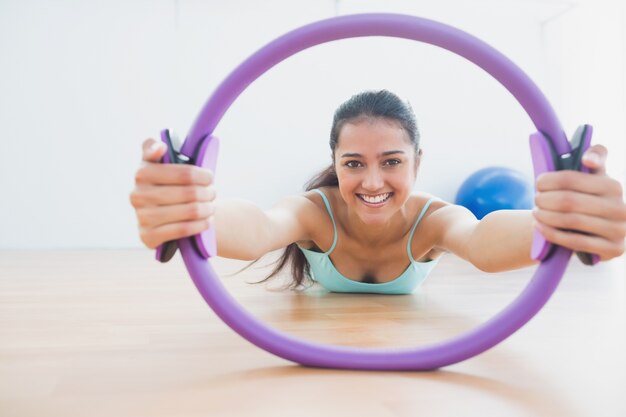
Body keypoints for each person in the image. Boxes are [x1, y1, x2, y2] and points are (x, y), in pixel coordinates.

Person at [130, 90, 626, 294]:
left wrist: (558, 225)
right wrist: (195, 213)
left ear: (418, 163)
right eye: (353, 164)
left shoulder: (432, 218)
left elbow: (479, 241)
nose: (371, 182)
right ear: (335, 166)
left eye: (391, 162)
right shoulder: (314, 212)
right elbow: (261, 227)